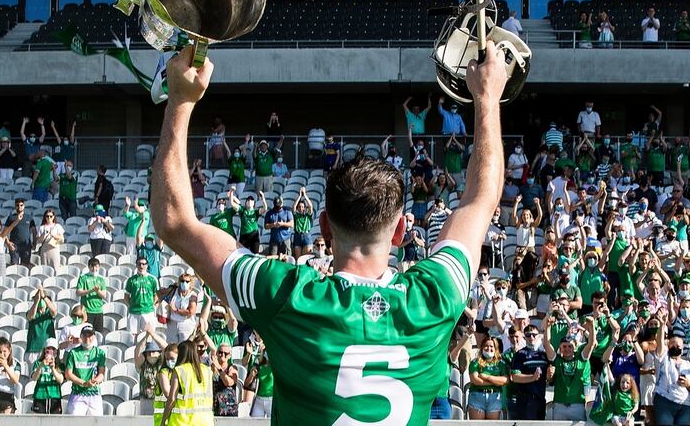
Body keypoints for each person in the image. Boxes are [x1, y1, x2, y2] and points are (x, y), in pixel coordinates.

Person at [150, 42, 507, 424]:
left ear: (324, 227)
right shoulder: (434, 298)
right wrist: (487, 99)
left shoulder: (288, 295)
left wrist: (181, 102)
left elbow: (174, 222)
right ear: (401, 230)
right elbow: (480, 199)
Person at [160, 340, 214, 426]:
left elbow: (171, 399)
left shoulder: (180, 370)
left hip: (183, 421)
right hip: (206, 420)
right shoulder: (207, 370)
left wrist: (163, 420)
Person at [64, 324, 107, 416]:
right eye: (85, 335)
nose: (87, 338)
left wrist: (95, 380)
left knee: (98, 422)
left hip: (94, 393)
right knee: (75, 421)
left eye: (90, 335)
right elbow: (68, 374)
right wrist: (83, 383)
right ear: (81, 336)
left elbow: (101, 373)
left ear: (94, 337)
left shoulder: (100, 353)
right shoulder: (73, 353)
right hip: (78, 393)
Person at [467, 335, 508, 420]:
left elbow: (505, 380)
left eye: (491, 346)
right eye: (486, 346)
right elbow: (475, 380)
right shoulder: (475, 362)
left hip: (494, 397)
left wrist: (487, 377)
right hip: (477, 396)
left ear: (495, 348)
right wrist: (495, 382)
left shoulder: (501, 363)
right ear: (482, 347)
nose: (488, 348)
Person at [133, 328, 167, 416]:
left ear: (159, 353)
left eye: (154, 351)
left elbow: (166, 348)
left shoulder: (162, 363)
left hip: (160, 399)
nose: (151, 354)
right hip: (145, 400)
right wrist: (146, 337)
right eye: (148, 352)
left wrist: (153, 334)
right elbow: (137, 351)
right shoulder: (142, 364)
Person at [125, 257, 159, 335]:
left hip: (148, 312)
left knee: (148, 335)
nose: (141, 266)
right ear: (136, 265)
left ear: (147, 266)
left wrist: (152, 304)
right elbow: (126, 296)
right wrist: (132, 305)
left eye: (144, 264)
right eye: (139, 264)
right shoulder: (131, 280)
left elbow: (157, 294)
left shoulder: (153, 279)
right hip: (134, 312)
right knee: (133, 337)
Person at [30, 338, 65, 414]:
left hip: (54, 397)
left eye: (53, 349)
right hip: (40, 396)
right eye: (48, 348)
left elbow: (61, 380)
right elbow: (34, 378)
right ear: (44, 350)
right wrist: (41, 365)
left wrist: (53, 369)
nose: (50, 351)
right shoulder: (38, 363)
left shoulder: (60, 365)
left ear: (57, 351)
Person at [166, 273, 200, 344]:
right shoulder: (173, 291)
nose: (184, 283)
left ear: (191, 283)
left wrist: (176, 310)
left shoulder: (193, 295)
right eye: (182, 281)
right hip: (172, 323)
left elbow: (191, 312)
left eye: (187, 281)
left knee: (184, 348)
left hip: (186, 325)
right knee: (171, 346)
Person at [77, 258, 108, 333]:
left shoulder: (101, 279)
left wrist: (97, 291)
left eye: (96, 266)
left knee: (98, 333)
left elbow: (104, 295)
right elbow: (78, 292)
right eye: (92, 266)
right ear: (89, 267)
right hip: (87, 311)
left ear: (99, 267)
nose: (94, 268)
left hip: (98, 311)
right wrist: (91, 290)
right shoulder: (83, 278)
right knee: (87, 333)